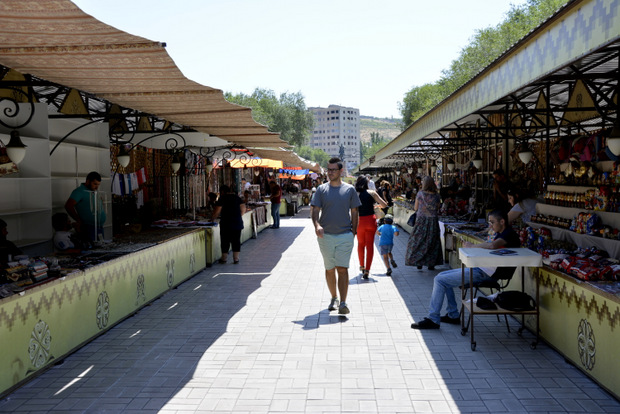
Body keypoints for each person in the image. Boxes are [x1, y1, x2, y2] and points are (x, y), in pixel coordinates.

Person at [411, 209, 520, 329]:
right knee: (441, 278)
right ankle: (453, 315)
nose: (490, 226)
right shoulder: (500, 232)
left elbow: (492, 245)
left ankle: (433, 319)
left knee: (440, 281)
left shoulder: (508, 234)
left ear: (502, 221)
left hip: (485, 273)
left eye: (492, 222)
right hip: (482, 269)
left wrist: (472, 246)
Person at [311, 157, 361, 315]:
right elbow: (315, 210)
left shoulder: (349, 189)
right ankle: (334, 297)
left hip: (345, 234)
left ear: (341, 171)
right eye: (328, 169)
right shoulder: (321, 189)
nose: (330, 172)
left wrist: (353, 232)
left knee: (342, 269)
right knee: (330, 269)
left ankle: (343, 303)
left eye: (333, 170)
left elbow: (354, 211)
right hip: (325, 236)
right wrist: (317, 225)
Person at [405, 176, 443, 270]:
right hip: (433, 221)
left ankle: (418, 262)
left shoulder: (420, 194)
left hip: (421, 220)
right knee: (432, 242)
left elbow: (415, 208)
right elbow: (438, 207)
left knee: (418, 240)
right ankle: (431, 264)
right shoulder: (436, 195)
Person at [355, 175, 387, 279]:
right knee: (370, 245)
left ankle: (362, 266)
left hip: (360, 221)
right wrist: (376, 206)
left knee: (360, 244)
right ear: (367, 183)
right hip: (371, 221)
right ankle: (368, 270)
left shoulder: (354, 194)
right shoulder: (372, 193)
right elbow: (384, 205)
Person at [64, 171, 107, 244]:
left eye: (98, 185)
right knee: (92, 250)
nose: (96, 187)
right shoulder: (79, 191)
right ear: (87, 181)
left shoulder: (94, 191)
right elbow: (68, 206)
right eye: (95, 184)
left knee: (100, 248)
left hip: (99, 226)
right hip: (88, 227)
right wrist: (78, 220)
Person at [212, 184, 246, 264]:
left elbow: (217, 211)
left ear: (222, 191)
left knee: (225, 241)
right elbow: (243, 209)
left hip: (226, 223)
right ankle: (236, 258)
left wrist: (212, 218)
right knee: (236, 241)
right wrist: (237, 215)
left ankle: (224, 259)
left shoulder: (222, 199)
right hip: (237, 223)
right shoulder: (237, 198)